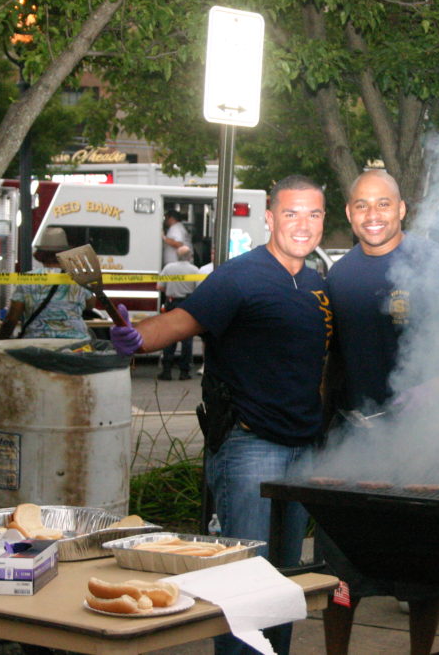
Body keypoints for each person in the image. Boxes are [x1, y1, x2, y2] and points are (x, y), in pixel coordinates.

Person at [110, 175, 330, 655]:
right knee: (243, 582)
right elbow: (183, 320)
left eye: (313, 214)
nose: (303, 224)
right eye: (291, 213)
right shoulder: (239, 276)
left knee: (282, 581)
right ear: (270, 218)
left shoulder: (316, 284)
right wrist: (139, 337)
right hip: (250, 447)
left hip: (302, 450)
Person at [320, 169, 439, 655]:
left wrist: (437, 387)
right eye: (361, 205)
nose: (372, 215)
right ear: (349, 214)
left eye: (383, 204)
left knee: (425, 566)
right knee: (339, 568)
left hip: (427, 436)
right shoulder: (339, 275)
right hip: (355, 437)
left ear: (401, 209)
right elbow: (332, 356)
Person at [0, 227, 95, 340]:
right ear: (65, 254)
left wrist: (2, 339)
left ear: (41, 254)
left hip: (37, 343)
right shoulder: (78, 277)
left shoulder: (28, 279)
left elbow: (12, 318)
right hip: (76, 342)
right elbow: (90, 306)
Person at [155, 245, 199, 381]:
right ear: (190, 257)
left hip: (172, 304)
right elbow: (198, 289)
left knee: (170, 337)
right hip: (188, 305)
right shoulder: (195, 270)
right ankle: (184, 372)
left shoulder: (169, 268)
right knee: (187, 340)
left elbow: (160, 286)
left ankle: (167, 371)